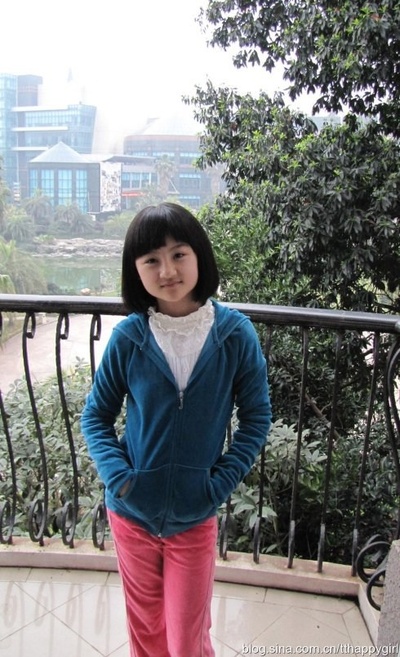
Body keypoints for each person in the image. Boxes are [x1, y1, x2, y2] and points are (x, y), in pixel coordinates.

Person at [81, 202, 272, 657]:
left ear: (199, 255)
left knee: (187, 638)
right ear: (136, 271)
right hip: (131, 513)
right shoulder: (130, 338)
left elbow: (256, 418)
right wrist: (121, 479)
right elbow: (96, 416)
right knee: (147, 633)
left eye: (178, 254)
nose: (167, 270)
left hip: (194, 515)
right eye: (151, 259)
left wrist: (216, 485)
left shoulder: (235, 335)